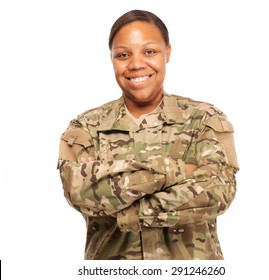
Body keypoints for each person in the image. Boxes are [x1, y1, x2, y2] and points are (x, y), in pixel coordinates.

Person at [58, 9, 239, 260]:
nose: (135, 64)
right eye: (123, 55)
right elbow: (79, 192)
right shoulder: (86, 127)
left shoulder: (205, 120)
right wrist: (178, 170)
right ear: (112, 59)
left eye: (149, 51)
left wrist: (124, 204)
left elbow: (217, 192)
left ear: (168, 52)